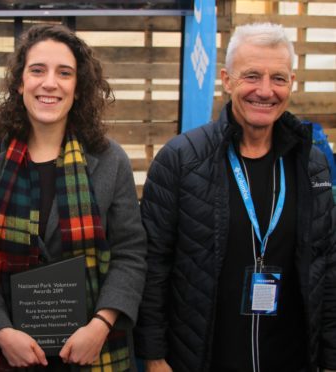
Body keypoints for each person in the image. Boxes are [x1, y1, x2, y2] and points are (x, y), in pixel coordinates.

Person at [134, 22, 336, 372]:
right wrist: (153, 356)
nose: (265, 90)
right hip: (202, 358)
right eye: (252, 76)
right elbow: (153, 265)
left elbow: (327, 267)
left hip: (290, 359)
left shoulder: (311, 164)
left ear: (292, 84)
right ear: (227, 80)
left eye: (279, 78)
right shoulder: (181, 160)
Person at [0, 24, 147, 371]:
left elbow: (130, 252)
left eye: (64, 73)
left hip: (93, 352)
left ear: (78, 87)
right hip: (9, 355)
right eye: (37, 70)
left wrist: (102, 324)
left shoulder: (110, 160)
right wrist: (0, 331)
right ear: (19, 82)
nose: (50, 83)